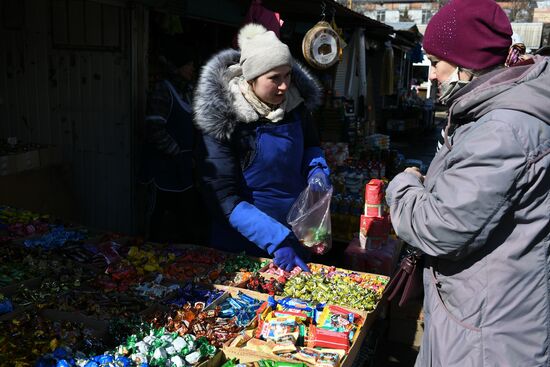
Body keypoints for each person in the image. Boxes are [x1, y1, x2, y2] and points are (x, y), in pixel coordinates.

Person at [385, 0, 550, 365]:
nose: (431, 76)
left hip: (489, 331)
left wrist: (402, 186)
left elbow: (440, 227)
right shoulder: (494, 112)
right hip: (482, 310)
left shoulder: (503, 130)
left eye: (434, 64)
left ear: (466, 65)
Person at [193, 24, 331, 271]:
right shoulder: (225, 120)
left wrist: (317, 170)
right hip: (242, 246)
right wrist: (277, 240)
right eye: (274, 78)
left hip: (294, 237)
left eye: (287, 75)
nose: (284, 86)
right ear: (251, 78)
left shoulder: (295, 108)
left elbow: (311, 145)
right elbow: (223, 198)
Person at [140, 45, 205, 244]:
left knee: (184, 221)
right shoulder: (163, 90)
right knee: (157, 221)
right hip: (163, 168)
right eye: (188, 65)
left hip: (183, 169)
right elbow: (154, 129)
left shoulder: (187, 91)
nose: (192, 70)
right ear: (177, 67)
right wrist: (177, 152)